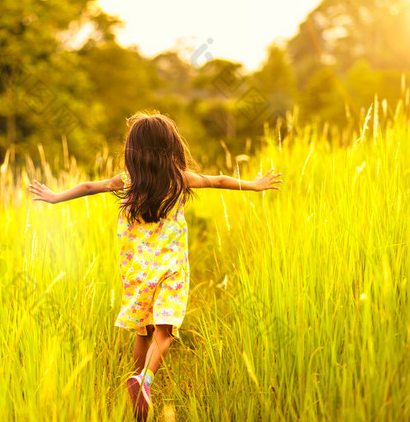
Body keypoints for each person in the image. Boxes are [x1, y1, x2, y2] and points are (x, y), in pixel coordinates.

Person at [28, 111, 282, 421]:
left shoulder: (128, 182)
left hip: (137, 270)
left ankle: (137, 388)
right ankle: (144, 382)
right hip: (170, 269)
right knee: (166, 330)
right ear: (171, 147)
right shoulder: (179, 179)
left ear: (132, 151)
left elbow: (88, 187)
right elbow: (217, 180)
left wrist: (54, 198)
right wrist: (255, 185)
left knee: (144, 330)